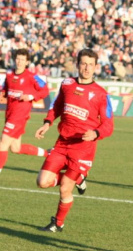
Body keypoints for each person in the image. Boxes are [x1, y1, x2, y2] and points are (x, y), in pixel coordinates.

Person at [35, 48, 114, 232]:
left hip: (83, 148)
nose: (87, 68)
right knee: (42, 182)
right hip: (62, 143)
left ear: (96, 67)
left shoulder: (101, 94)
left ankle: (58, 224)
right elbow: (57, 106)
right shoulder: (67, 84)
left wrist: (95, 133)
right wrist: (47, 122)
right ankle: (79, 178)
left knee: (64, 189)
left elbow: (108, 125)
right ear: (78, 64)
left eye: (90, 65)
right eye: (84, 63)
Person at [0, 49, 50, 187]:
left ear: (27, 62)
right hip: (9, 114)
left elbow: (45, 90)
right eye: (17, 59)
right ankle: (48, 153)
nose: (19, 62)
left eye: (22, 60)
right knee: (15, 148)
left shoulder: (31, 76)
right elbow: (5, 89)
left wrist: (31, 96)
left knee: (3, 143)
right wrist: (2, 93)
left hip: (20, 116)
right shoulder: (9, 75)